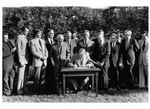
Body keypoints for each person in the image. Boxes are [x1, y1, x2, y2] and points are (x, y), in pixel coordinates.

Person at [30, 29, 48, 93]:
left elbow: (46, 50)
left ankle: (42, 89)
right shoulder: (32, 41)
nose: (40, 34)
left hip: (44, 61)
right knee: (36, 76)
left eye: (41, 33)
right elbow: (33, 51)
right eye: (39, 33)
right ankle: (35, 90)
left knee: (43, 76)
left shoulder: (43, 41)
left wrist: (46, 56)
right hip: (38, 60)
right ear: (35, 34)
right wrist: (40, 57)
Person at [16, 27, 29, 95]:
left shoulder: (25, 38)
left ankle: (24, 89)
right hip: (22, 58)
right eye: (26, 31)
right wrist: (20, 60)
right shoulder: (19, 37)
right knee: (20, 76)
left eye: (28, 31)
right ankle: (19, 91)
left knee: (25, 76)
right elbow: (18, 49)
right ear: (22, 31)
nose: (27, 32)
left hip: (26, 59)